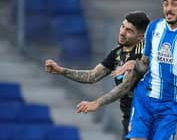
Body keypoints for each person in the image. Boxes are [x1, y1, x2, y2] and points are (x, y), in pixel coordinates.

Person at [76, 0, 177, 140]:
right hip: (144, 98)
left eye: (174, 4)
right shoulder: (154, 27)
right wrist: (134, 65)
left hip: (170, 104)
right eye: (165, 4)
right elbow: (145, 64)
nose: (169, 8)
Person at [44, 11, 150, 140]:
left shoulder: (141, 55)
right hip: (129, 116)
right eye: (122, 26)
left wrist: (97, 103)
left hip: (144, 116)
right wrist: (61, 70)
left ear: (140, 37)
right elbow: (92, 76)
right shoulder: (117, 53)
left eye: (129, 30)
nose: (122, 32)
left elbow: (125, 87)